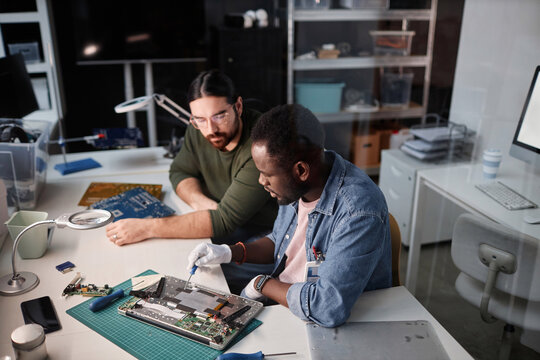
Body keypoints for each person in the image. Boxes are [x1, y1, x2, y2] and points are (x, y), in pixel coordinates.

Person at [187, 104, 392, 327]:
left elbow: (327, 307)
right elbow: (281, 241)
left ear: (301, 171)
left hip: (326, 319)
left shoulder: (358, 211)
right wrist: (230, 252)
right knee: (206, 286)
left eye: (267, 175)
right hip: (288, 296)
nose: (261, 182)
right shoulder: (299, 184)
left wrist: (262, 284)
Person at [106, 70, 278, 292]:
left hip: (267, 237)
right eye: (200, 119)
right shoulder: (199, 127)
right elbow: (180, 171)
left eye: (219, 116)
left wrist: (146, 228)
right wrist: (201, 203)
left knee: (203, 276)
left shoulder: (261, 145)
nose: (210, 129)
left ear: (238, 106)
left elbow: (224, 221)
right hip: (230, 225)